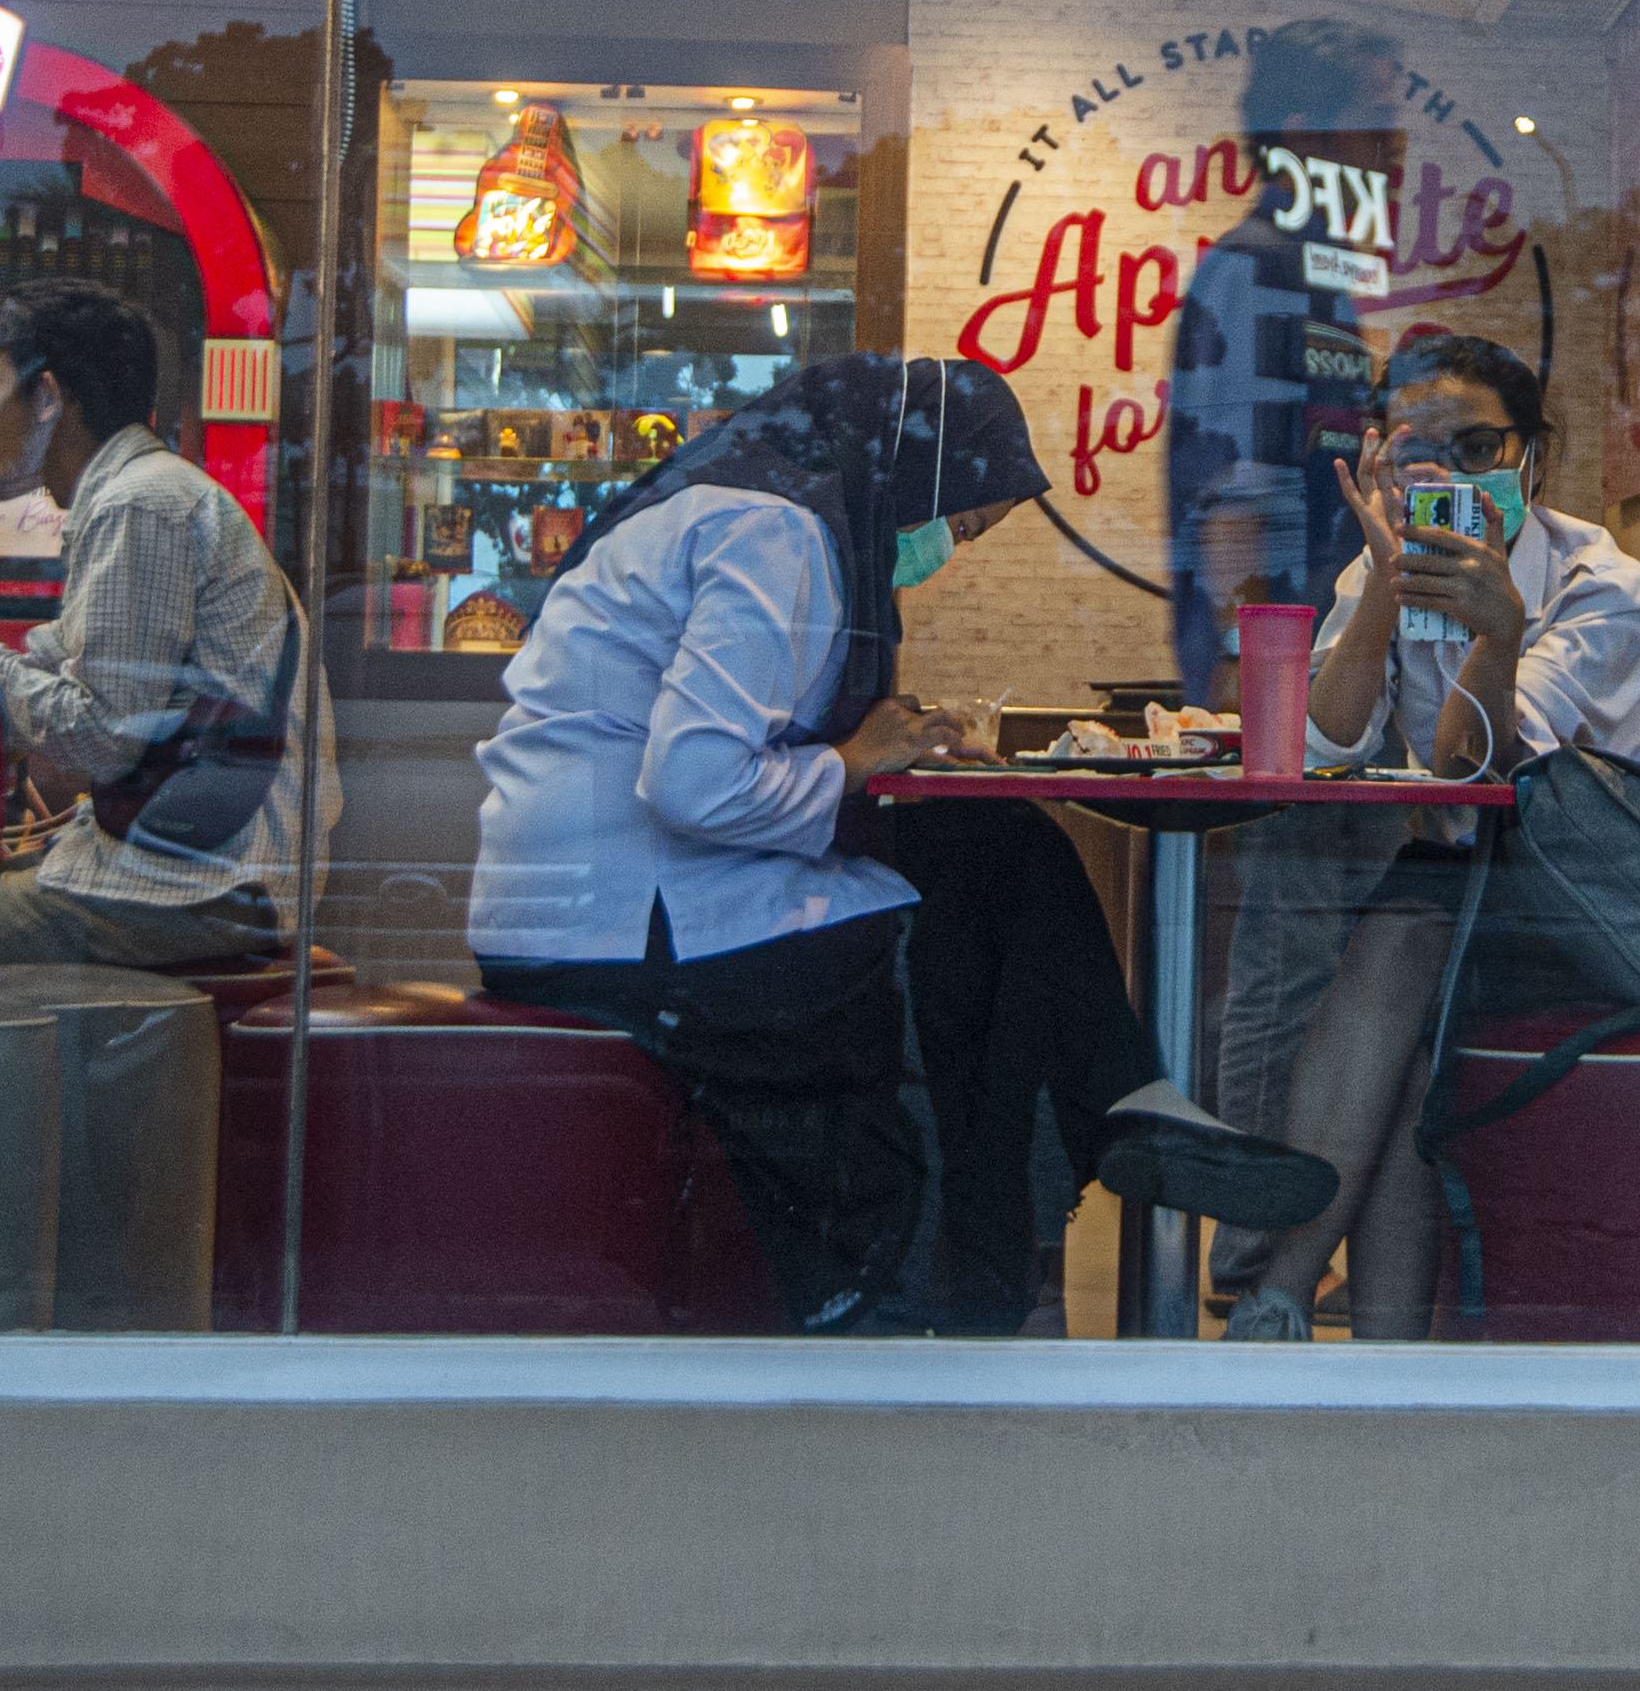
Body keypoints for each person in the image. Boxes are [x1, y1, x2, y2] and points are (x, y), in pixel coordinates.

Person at [468, 351, 1331, 1335]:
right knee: (980, 970)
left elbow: (736, 731)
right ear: (914, 474)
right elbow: (694, 780)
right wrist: (857, 758)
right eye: (960, 523)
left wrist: (880, 744)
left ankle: (1109, 1129)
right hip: (632, 926)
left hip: (599, 899)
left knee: (995, 840)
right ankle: (1026, 1221)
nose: (946, 550)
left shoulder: (757, 503)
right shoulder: (780, 533)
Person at [1222, 333, 1640, 1343]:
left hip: (1592, 898)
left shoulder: (1605, 585)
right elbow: (1324, 742)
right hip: (1460, 894)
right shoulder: (1383, 567)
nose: (1454, 473)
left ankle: (1280, 1285)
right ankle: (1386, 1364)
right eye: (1423, 449)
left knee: (1408, 924)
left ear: (1533, 459)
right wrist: (1382, 585)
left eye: (1479, 448)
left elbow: (1476, 766)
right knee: (1411, 1049)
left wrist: (1497, 632)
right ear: (1382, 457)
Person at [1174, 19, 1403, 1291]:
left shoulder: (1316, 278)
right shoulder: (1257, 270)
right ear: (1308, 138)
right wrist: (1255, 690)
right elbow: (1234, 488)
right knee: (1283, 956)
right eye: (1376, 123)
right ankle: (1252, 1241)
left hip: (1332, 673)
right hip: (1290, 675)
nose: (1395, 152)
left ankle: (1272, 1235)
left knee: (1312, 951)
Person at [0, 280, 330, 971]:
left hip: (196, 890)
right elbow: (61, 658)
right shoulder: (143, 491)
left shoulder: (139, 502)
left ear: (48, 398)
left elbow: (103, 737)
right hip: (196, 873)